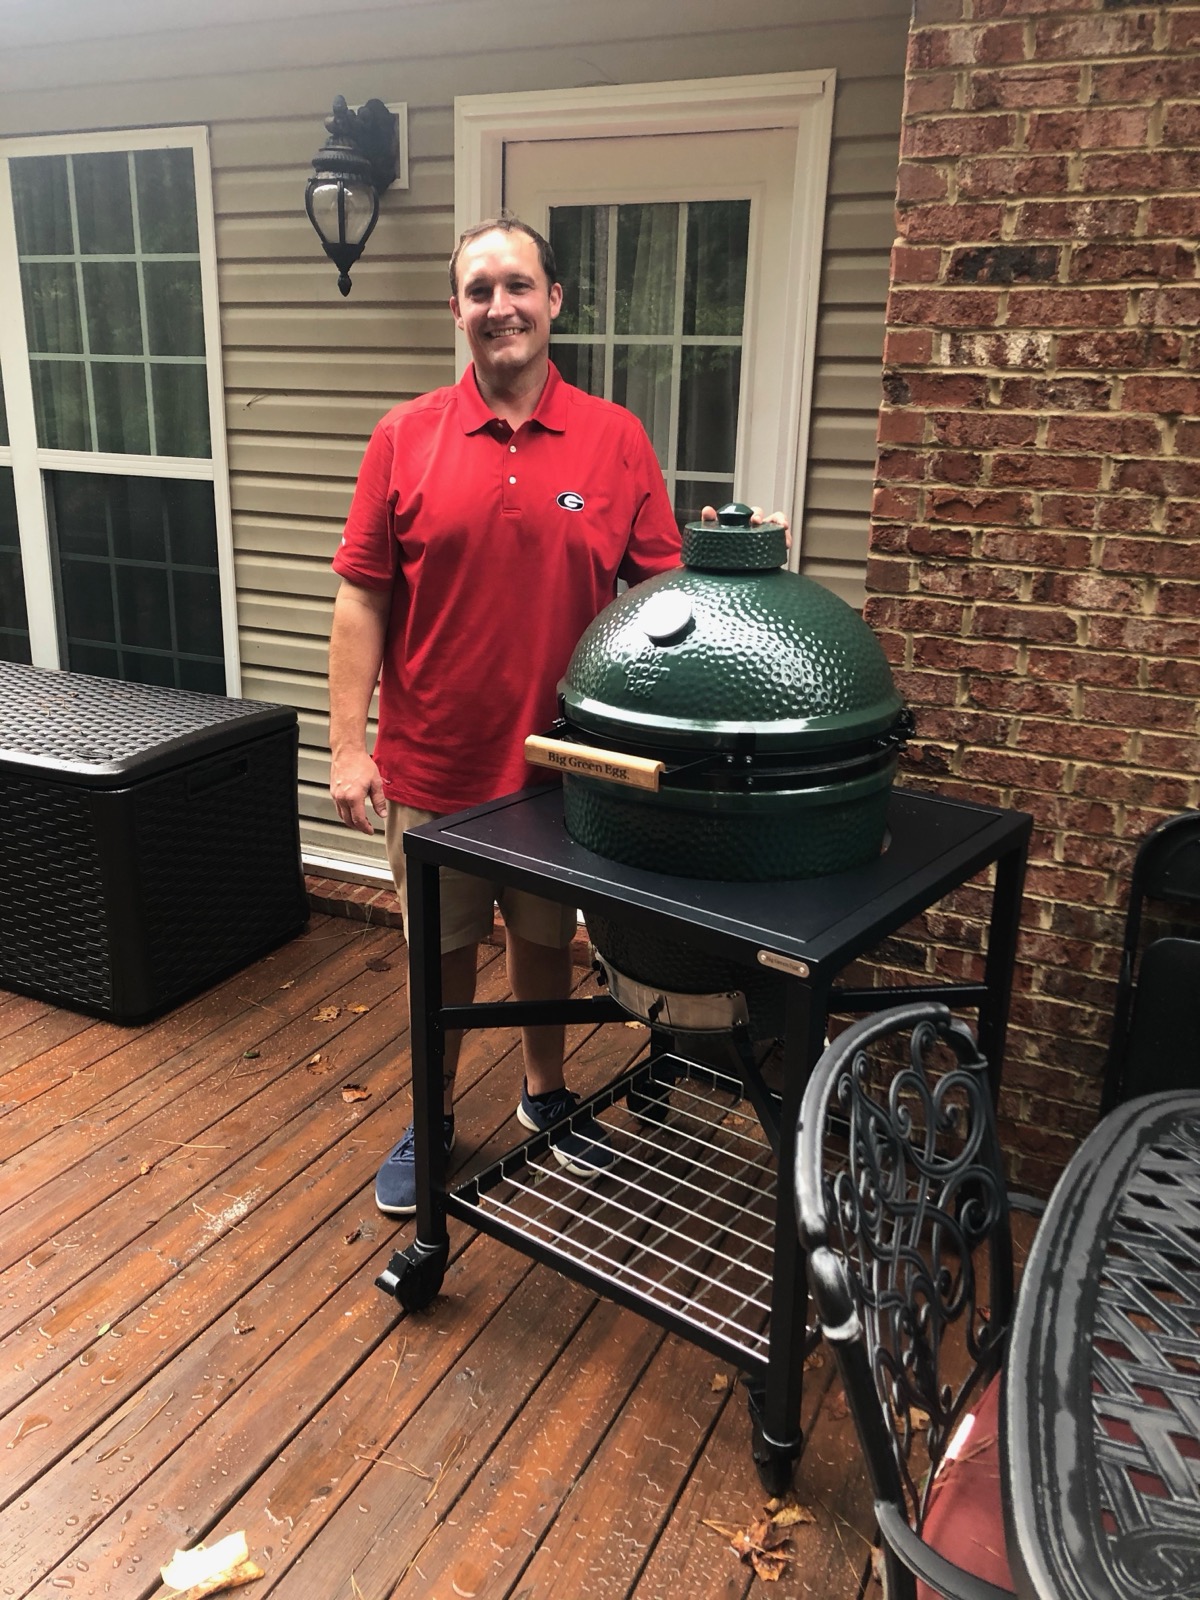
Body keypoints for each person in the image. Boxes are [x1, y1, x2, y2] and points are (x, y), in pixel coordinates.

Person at [328, 214, 783, 1218]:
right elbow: (362, 594)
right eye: (479, 290)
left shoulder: (615, 438)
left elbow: (663, 598)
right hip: (433, 762)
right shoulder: (403, 437)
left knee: (544, 943)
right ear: (457, 311)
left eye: (518, 285)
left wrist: (721, 570)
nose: (501, 306)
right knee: (439, 955)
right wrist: (347, 745)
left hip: (562, 769)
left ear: (554, 302)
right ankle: (435, 1111)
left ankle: (544, 1094)